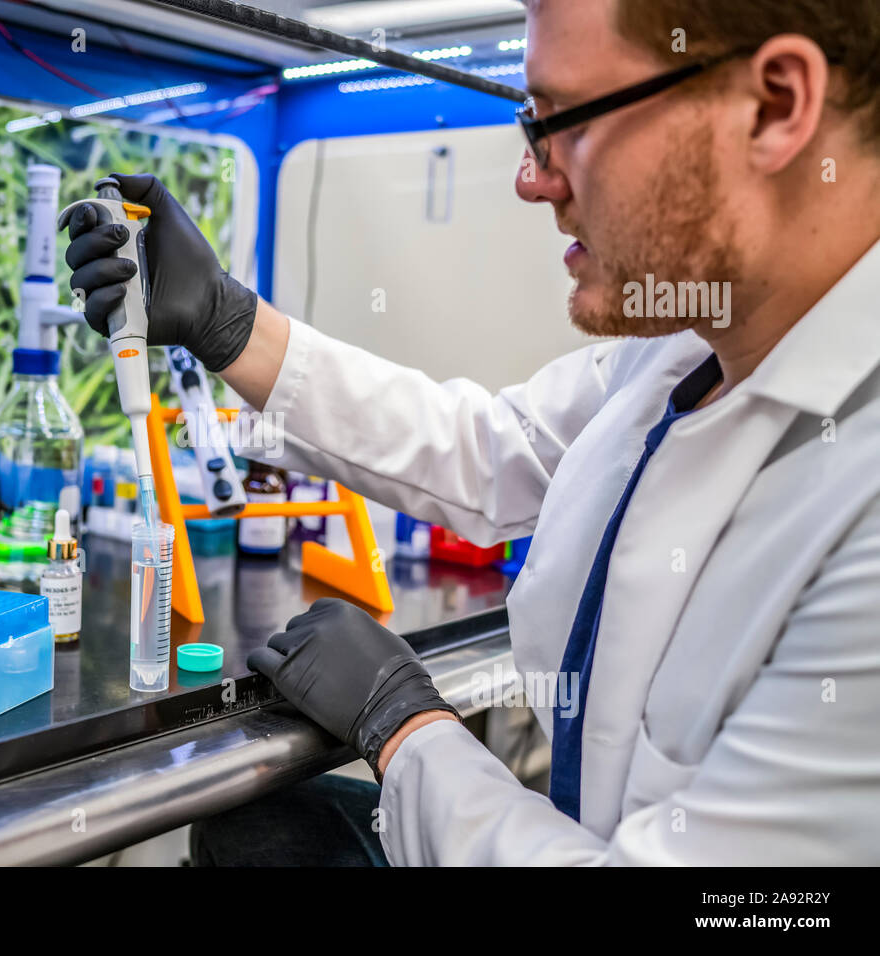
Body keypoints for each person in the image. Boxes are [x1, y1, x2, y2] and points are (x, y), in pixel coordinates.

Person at [63, 0, 880, 865]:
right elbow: (491, 446)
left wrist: (408, 731)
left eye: (565, 120)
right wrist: (228, 323)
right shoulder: (691, 343)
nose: (533, 178)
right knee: (259, 831)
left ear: (776, 105)